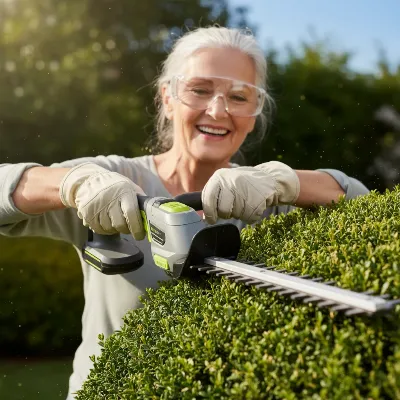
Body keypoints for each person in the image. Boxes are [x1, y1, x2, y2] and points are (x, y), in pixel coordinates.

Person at [0, 26, 369, 399]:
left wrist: (282, 181)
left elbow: (364, 202)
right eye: (200, 90)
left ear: (254, 114)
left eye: (239, 96)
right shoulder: (115, 179)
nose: (218, 110)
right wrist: (72, 183)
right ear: (168, 97)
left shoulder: (265, 198)